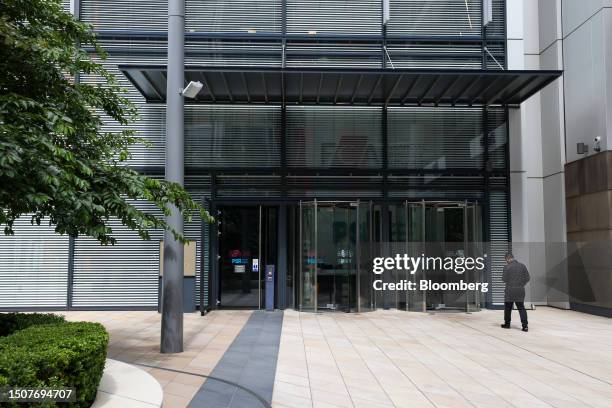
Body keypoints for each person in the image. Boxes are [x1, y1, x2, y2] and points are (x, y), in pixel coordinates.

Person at [501, 253, 530, 332]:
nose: (506, 262)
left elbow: (503, 279)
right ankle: (525, 326)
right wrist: (521, 284)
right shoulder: (522, 266)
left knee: (508, 307)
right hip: (520, 290)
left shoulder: (506, 267)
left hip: (510, 290)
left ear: (507, 259)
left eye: (506, 260)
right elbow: (528, 278)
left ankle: (507, 324)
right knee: (521, 307)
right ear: (513, 258)